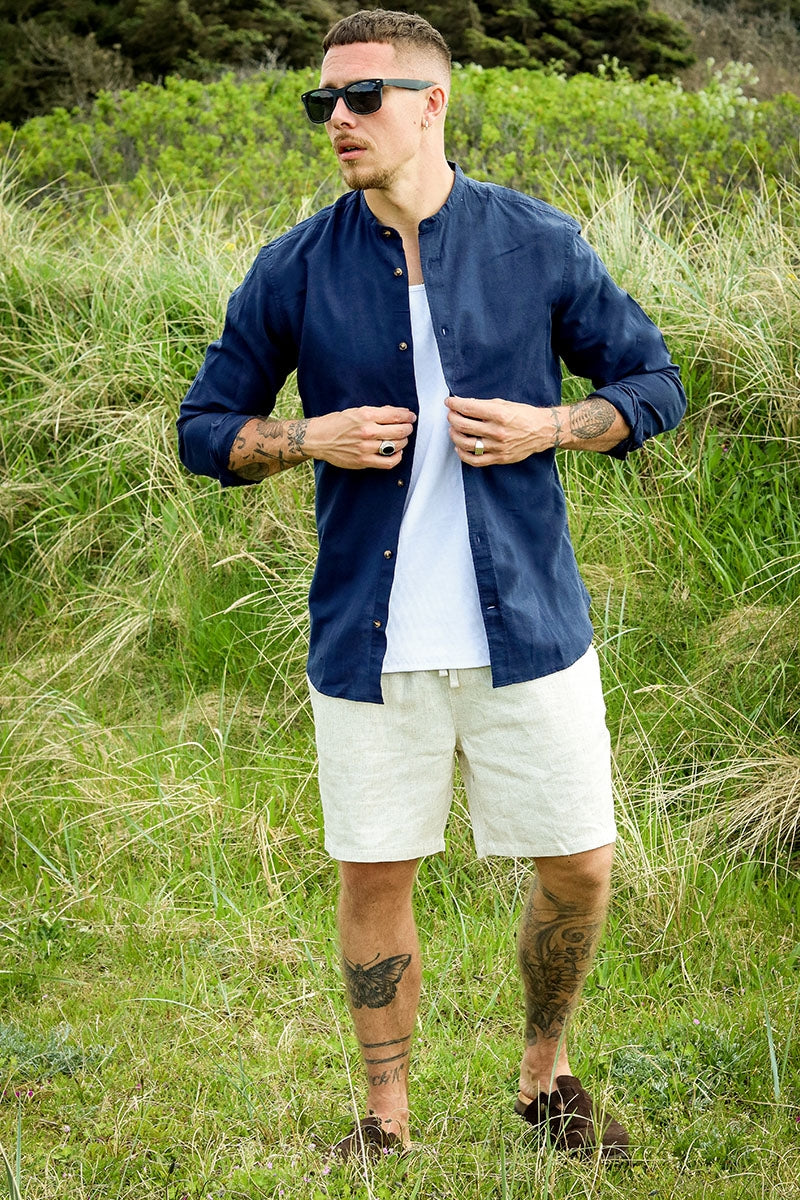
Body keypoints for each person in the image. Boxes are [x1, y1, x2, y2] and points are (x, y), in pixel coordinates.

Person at [177, 8, 685, 1163]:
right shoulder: (294, 266)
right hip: (370, 639)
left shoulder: (535, 242)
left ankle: (544, 1077)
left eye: (362, 97)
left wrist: (551, 424)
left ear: (431, 103)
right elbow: (203, 428)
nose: (337, 119)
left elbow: (652, 382)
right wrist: (305, 439)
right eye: (322, 101)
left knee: (578, 864)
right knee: (374, 873)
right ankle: (384, 1118)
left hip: (528, 627)